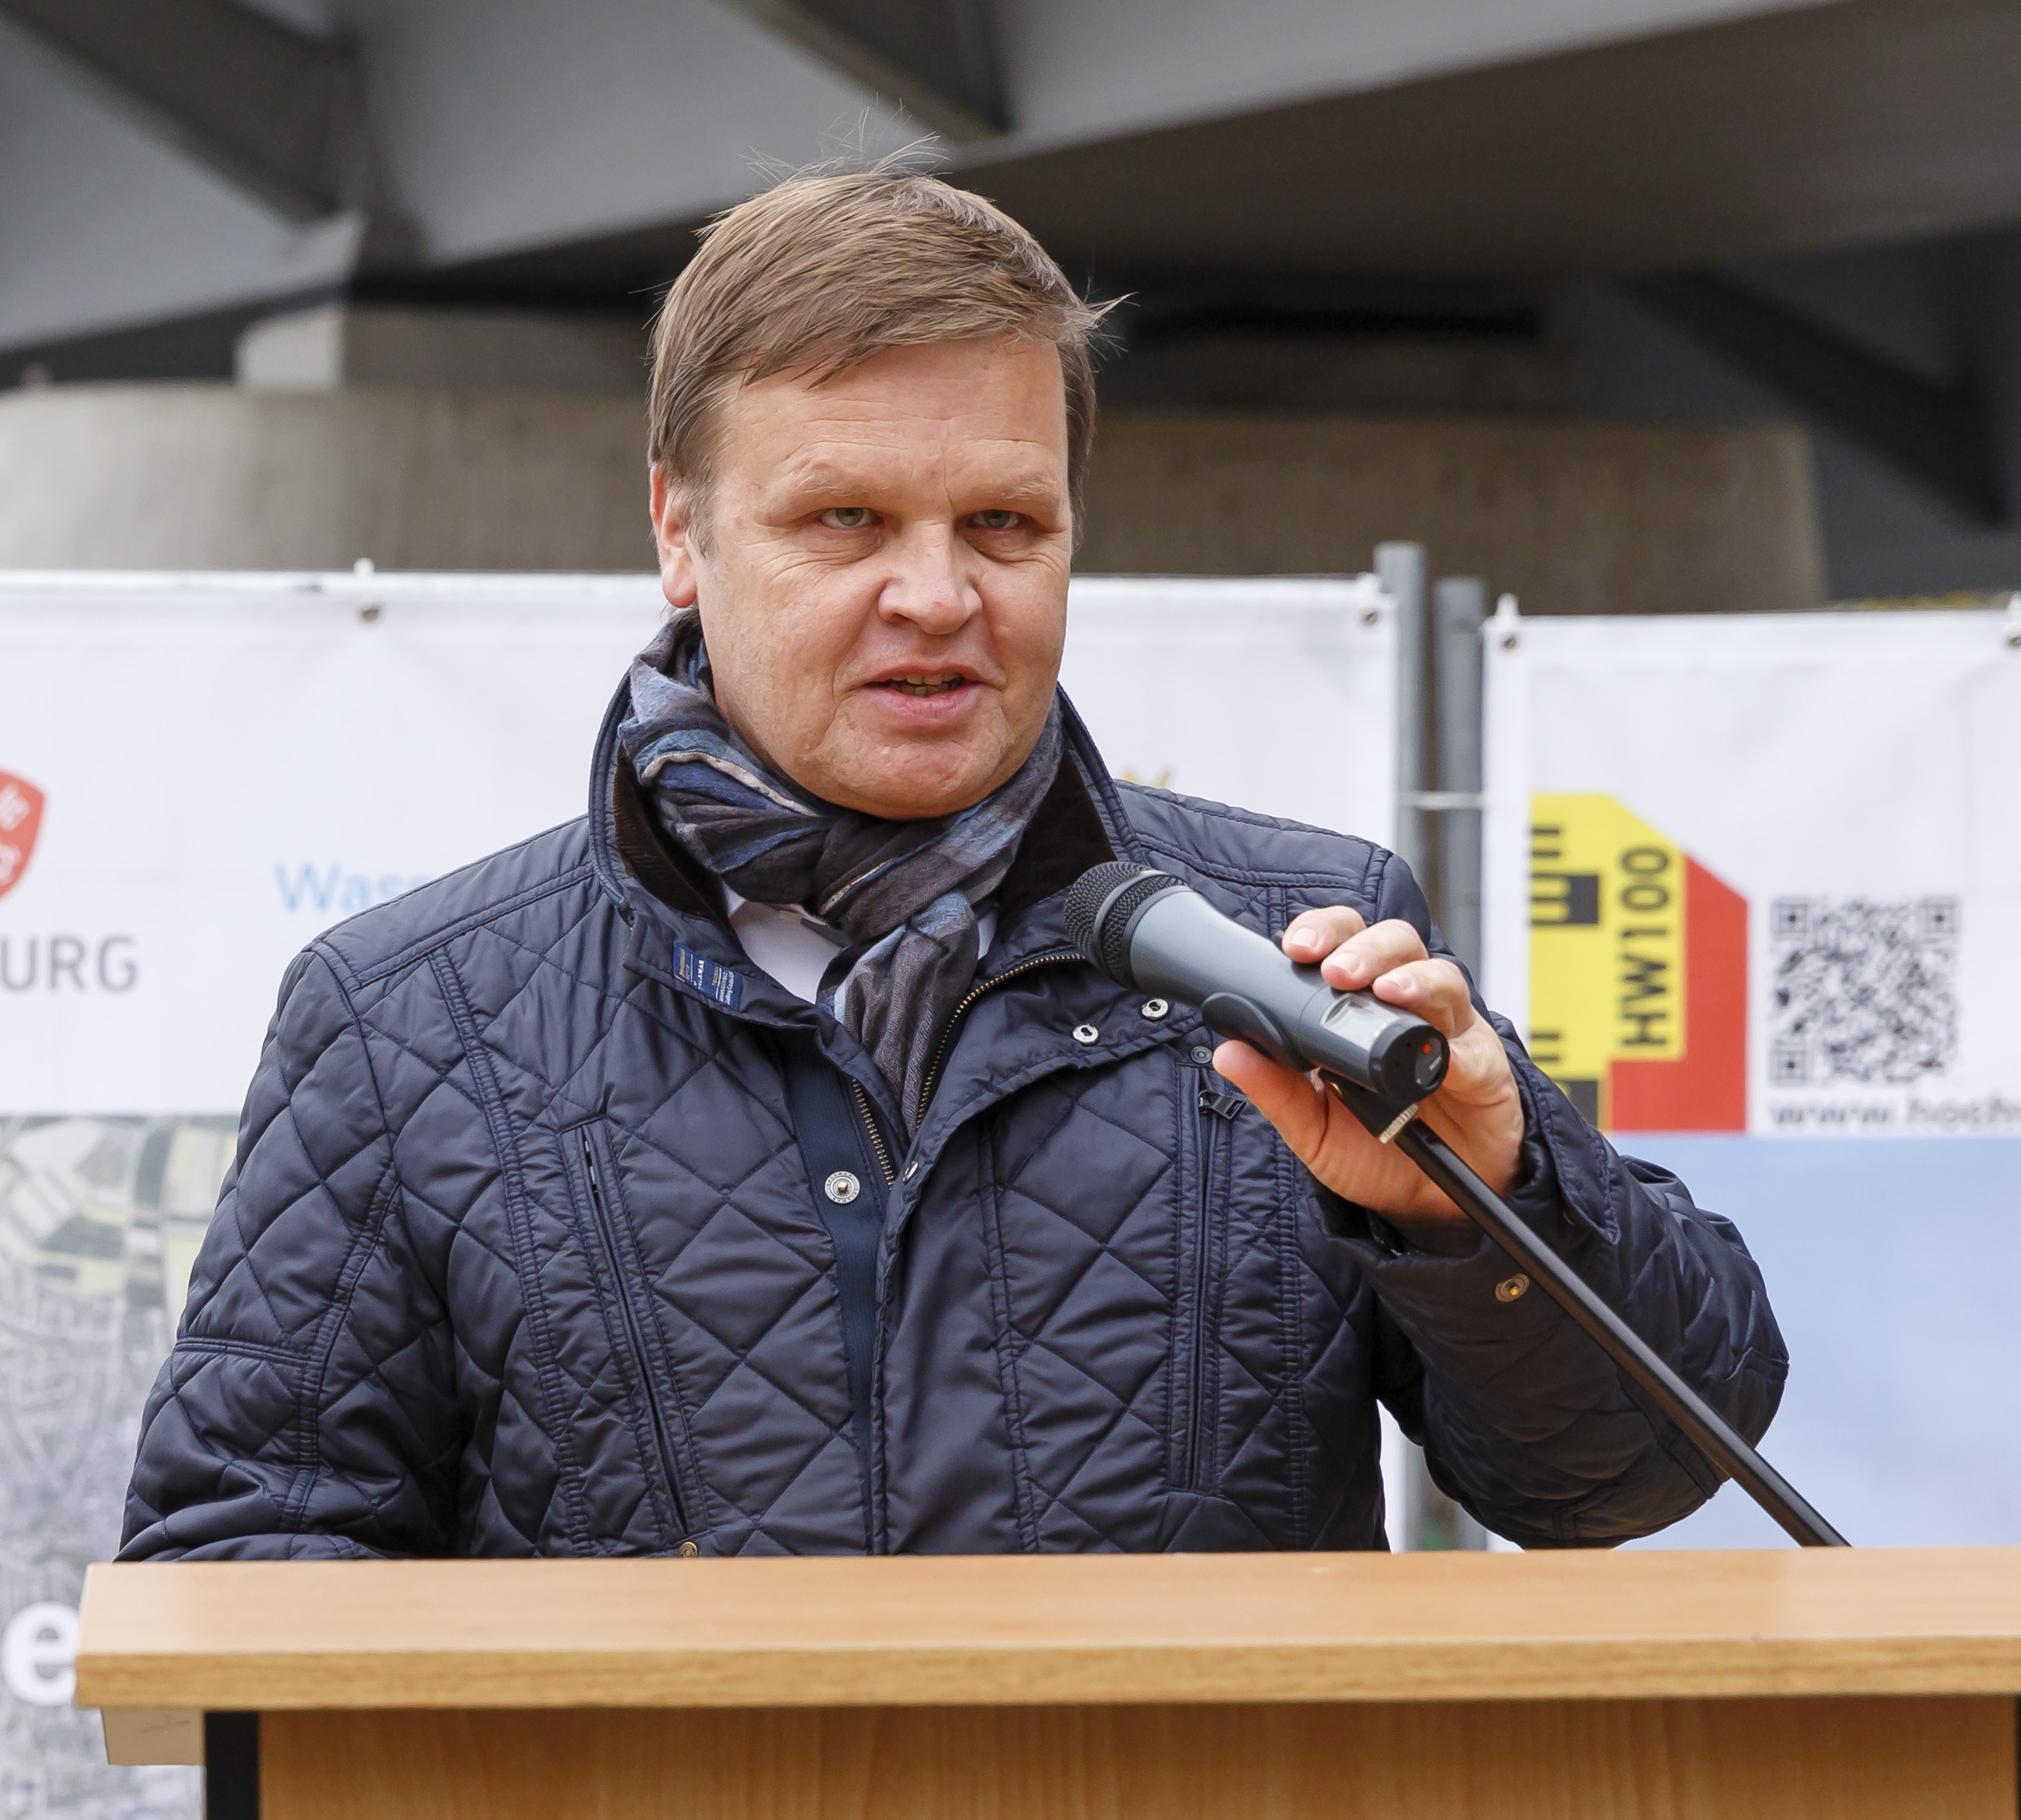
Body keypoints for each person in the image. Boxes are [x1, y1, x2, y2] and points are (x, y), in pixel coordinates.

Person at [120, 166, 1784, 1560]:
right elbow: (238, 1566)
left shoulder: (1301, 952)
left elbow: (1621, 1474)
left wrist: (1463, 1205)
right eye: (843, 521)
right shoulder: (414, 1017)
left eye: (1003, 525)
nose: (935, 594)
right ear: (680, 533)